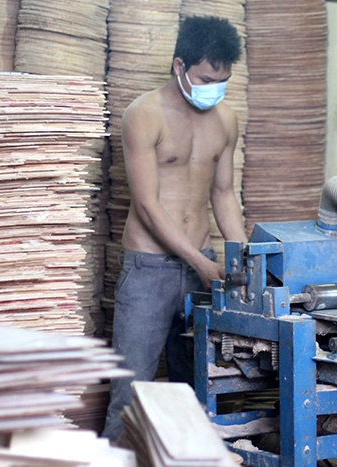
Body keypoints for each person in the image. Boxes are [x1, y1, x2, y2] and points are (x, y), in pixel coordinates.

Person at [102, 15, 248, 442]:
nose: (214, 89)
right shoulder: (144, 115)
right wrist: (199, 263)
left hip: (203, 266)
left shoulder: (226, 119)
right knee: (131, 394)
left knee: (199, 389)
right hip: (149, 270)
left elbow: (224, 194)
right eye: (206, 79)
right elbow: (147, 205)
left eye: (222, 81)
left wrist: (242, 257)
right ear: (179, 66)